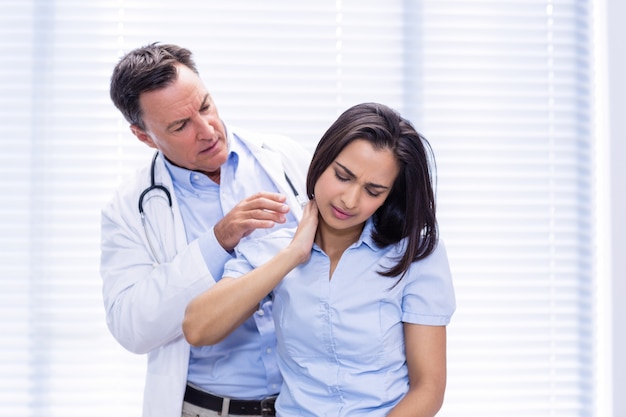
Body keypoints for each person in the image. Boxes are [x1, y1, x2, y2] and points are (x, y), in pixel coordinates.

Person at [183, 102, 456, 417]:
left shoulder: (415, 254)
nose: (349, 200)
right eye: (343, 176)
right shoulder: (275, 247)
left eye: (373, 191)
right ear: (321, 161)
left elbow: (429, 387)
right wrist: (292, 256)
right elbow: (198, 327)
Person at [100, 43, 311, 417]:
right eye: (181, 126)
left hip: (306, 405)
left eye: (205, 106)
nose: (207, 130)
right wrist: (218, 241)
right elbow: (132, 326)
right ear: (144, 136)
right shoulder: (129, 210)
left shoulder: (285, 159)